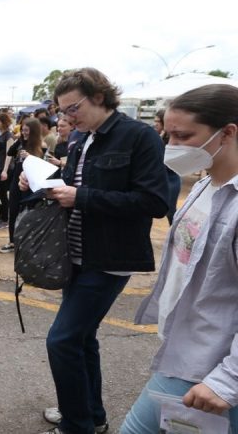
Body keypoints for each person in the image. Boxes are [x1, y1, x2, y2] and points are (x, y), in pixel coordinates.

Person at [22, 68, 168, 434]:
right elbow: (73, 184)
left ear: (99, 97)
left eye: (73, 109)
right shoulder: (80, 140)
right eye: (63, 112)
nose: (68, 118)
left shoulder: (139, 136)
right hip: (76, 253)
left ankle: (77, 425)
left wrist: (80, 196)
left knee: (63, 339)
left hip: (109, 258)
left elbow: (153, 200)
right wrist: (44, 182)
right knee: (82, 338)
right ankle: (91, 415)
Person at [121, 84, 238, 433]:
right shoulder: (205, 185)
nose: (171, 147)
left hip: (210, 364)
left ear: (228, 132)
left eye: (183, 135)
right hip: (186, 348)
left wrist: (227, 380)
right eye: (167, 135)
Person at [0, 118, 44, 254]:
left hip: (31, 183)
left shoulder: (41, 144)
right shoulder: (20, 142)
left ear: (34, 131)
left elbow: (44, 164)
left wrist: (31, 156)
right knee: (13, 210)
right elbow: (10, 152)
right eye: (22, 130)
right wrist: (18, 140)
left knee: (28, 211)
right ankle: (12, 241)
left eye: (26, 131)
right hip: (16, 180)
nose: (24, 133)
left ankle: (28, 241)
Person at [153, 109, 183, 224]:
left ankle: (174, 230)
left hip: (171, 178)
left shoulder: (171, 140)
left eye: (158, 122)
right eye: (154, 121)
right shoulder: (154, 136)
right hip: (159, 178)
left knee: (170, 210)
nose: (155, 124)